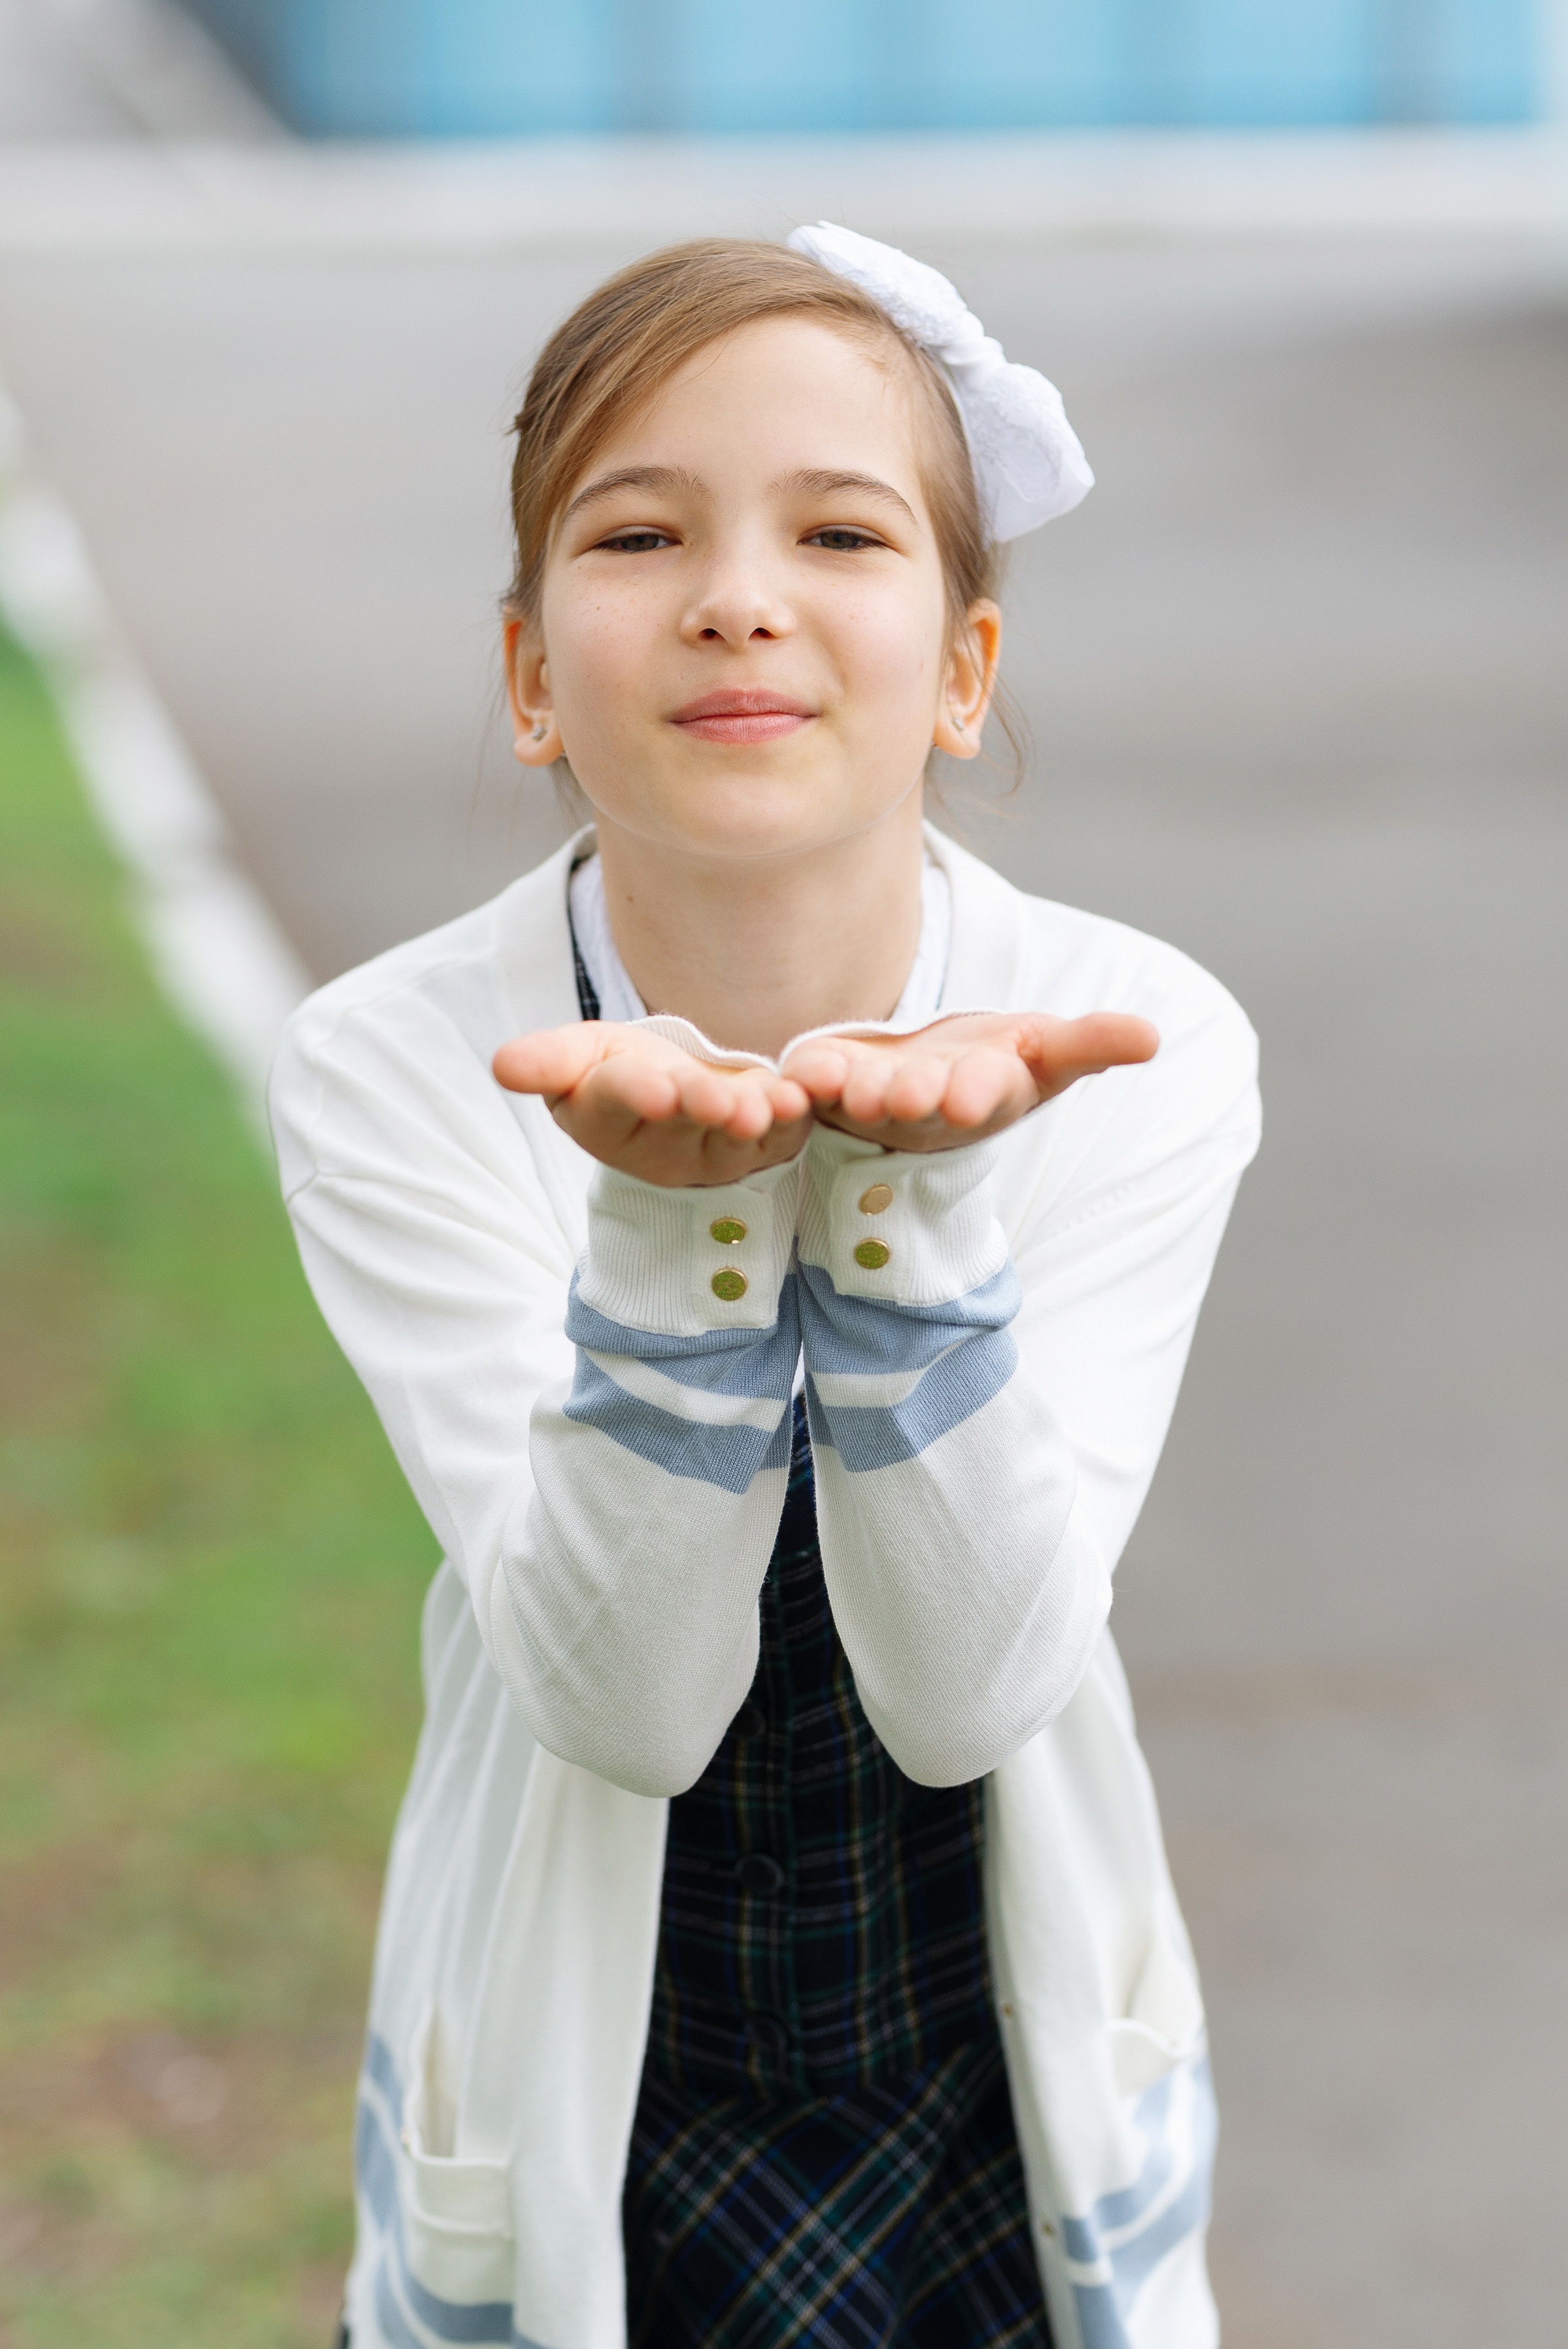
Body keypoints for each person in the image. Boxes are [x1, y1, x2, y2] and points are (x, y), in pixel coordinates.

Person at [269, 224, 1260, 2349]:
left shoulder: (1132, 1032)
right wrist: (667, 1230)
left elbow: (969, 1691)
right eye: (640, 533)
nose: (740, 592)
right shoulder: (397, 1064)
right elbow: (623, 1704)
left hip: (988, 2063)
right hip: (590, 2085)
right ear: (532, 676)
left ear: (966, 666)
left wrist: (906, 1212)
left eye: (838, 527)